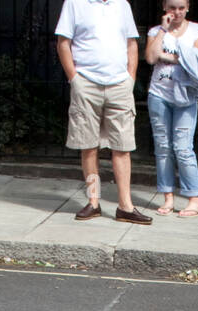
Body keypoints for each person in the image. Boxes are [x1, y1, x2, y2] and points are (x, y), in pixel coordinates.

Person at [55, 0, 152, 224]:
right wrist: (74, 79)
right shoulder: (74, 3)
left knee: (123, 146)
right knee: (89, 145)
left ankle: (125, 206)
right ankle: (93, 201)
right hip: (86, 82)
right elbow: (63, 43)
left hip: (119, 84)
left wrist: (131, 78)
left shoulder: (122, 5)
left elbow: (131, 44)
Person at [145, 0, 198, 218]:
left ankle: (193, 199)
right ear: (164, 7)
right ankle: (167, 196)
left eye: (181, 7)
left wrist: (167, 56)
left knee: (183, 147)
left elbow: (197, 60)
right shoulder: (156, 31)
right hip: (159, 94)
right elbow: (151, 57)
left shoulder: (196, 30)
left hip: (186, 96)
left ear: (188, 7)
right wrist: (163, 30)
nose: (177, 12)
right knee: (163, 147)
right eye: (173, 7)